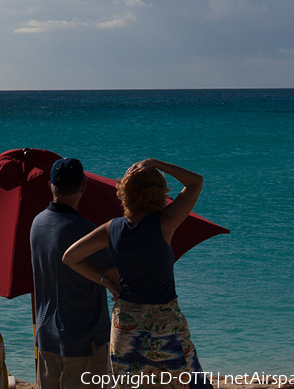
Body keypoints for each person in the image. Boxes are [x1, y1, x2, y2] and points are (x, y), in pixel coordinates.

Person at [62, 158, 211, 387]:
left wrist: (107, 283)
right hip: (164, 323)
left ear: (125, 193)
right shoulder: (166, 222)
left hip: (126, 325)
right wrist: (158, 164)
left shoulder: (111, 229)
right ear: (159, 193)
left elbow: (70, 257)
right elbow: (195, 183)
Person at [30, 157, 120, 389]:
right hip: (84, 339)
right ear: (83, 186)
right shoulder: (82, 229)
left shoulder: (37, 224)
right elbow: (116, 277)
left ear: (50, 186)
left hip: (47, 335)